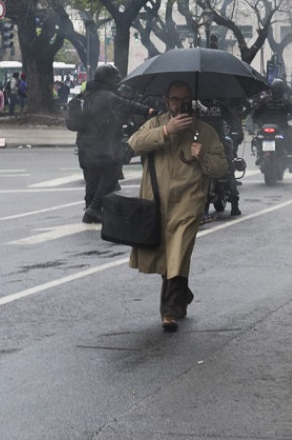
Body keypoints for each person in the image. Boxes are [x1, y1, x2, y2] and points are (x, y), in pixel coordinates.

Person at [128, 81, 228, 332]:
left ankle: (169, 311)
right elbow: (134, 144)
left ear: (191, 101)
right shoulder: (156, 124)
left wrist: (203, 157)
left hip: (188, 201)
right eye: (174, 99)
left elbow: (221, 167)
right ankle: (182, 296)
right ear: (166, 101)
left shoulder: (204, 131)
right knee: (164, 254)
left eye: (185, 100)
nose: (179, 104)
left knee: (178, 252)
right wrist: (165, 131)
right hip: (157, 200)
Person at [75, 66, 154, 223]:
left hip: (84, 144)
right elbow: (127, 105)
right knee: (112, 173)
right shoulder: (107, 97)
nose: (117, 81)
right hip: (101, 145)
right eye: (114, 77)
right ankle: (94, 208)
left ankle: (90, 210)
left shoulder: (86, 94)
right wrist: (148, 111)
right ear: (107, 79)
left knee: (92, 179)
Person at [197, 99, 243, 216]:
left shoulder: (216, 105)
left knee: (228, 168)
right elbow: (233, 120)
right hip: (210, 141)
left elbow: (233, 120)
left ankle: (234, 204)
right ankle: (234, 206)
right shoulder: (201, 105)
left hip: (215, 141)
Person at [251, 78, 292, 184]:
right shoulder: (285, 103)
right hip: (281, 129)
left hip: (264, 129)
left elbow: (255, 114)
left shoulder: (264, 101)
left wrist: (259, 123)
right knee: (290, 148)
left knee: (257, 140)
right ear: (282, 90)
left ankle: (260, 155)